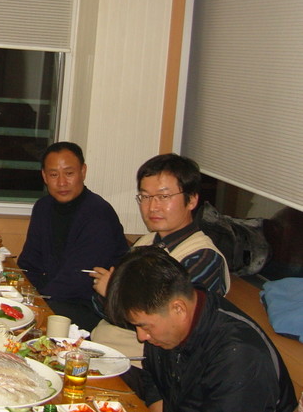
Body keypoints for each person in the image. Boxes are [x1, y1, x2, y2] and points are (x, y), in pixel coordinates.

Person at [105, 246, 296, 412]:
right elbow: (153, 377)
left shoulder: (240, 357)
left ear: (178, 309)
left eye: (144, 326)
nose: (141, 336)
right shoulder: (166, 325)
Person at [90, 153, 230, 377]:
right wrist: (113, 297)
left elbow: (169, 326)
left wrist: (112, 295)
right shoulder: (145, 244)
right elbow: (99, 304)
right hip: (104, 351)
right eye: (145, 197)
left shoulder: (203, 257)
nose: (152, 207)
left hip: (146, 369)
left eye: (164, 197)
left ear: (192, 200)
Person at [17, 141, 127, 330]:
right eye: (54, 175)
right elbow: (29, 263)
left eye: (69, 173)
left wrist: (37, 302)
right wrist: (25, 295)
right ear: (44, 176)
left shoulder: (99, 214)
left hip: (88, 307)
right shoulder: (43, 207)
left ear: (83, 172)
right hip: (51, 298)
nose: (61, 182)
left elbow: (78, 280)